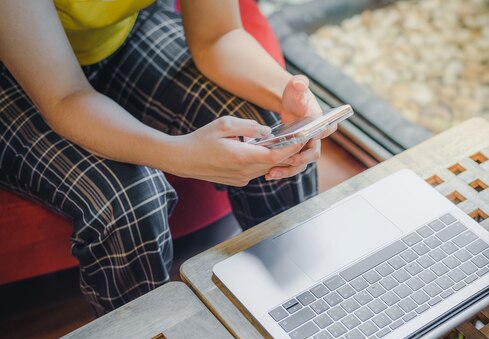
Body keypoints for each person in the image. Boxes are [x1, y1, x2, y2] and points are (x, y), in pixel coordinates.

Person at [0, 0, 328, 315]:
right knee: (129, 200)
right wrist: (178, 155)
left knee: (271, 130)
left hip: (120, 36)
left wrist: (289, 96)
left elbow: (218, 36)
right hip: (15, 69)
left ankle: (309, 311)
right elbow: (64, 96)